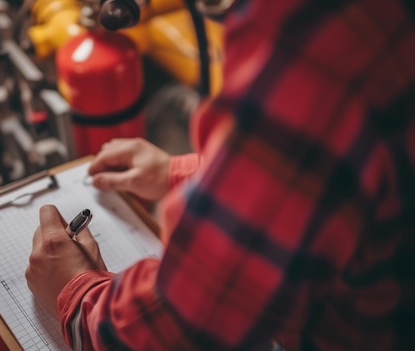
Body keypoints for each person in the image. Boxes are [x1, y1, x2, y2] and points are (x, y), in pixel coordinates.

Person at [25, 0, 415, 349]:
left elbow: (187, 325)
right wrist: (184, 172)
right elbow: (340, 166)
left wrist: (74, 292)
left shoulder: (317, 31)